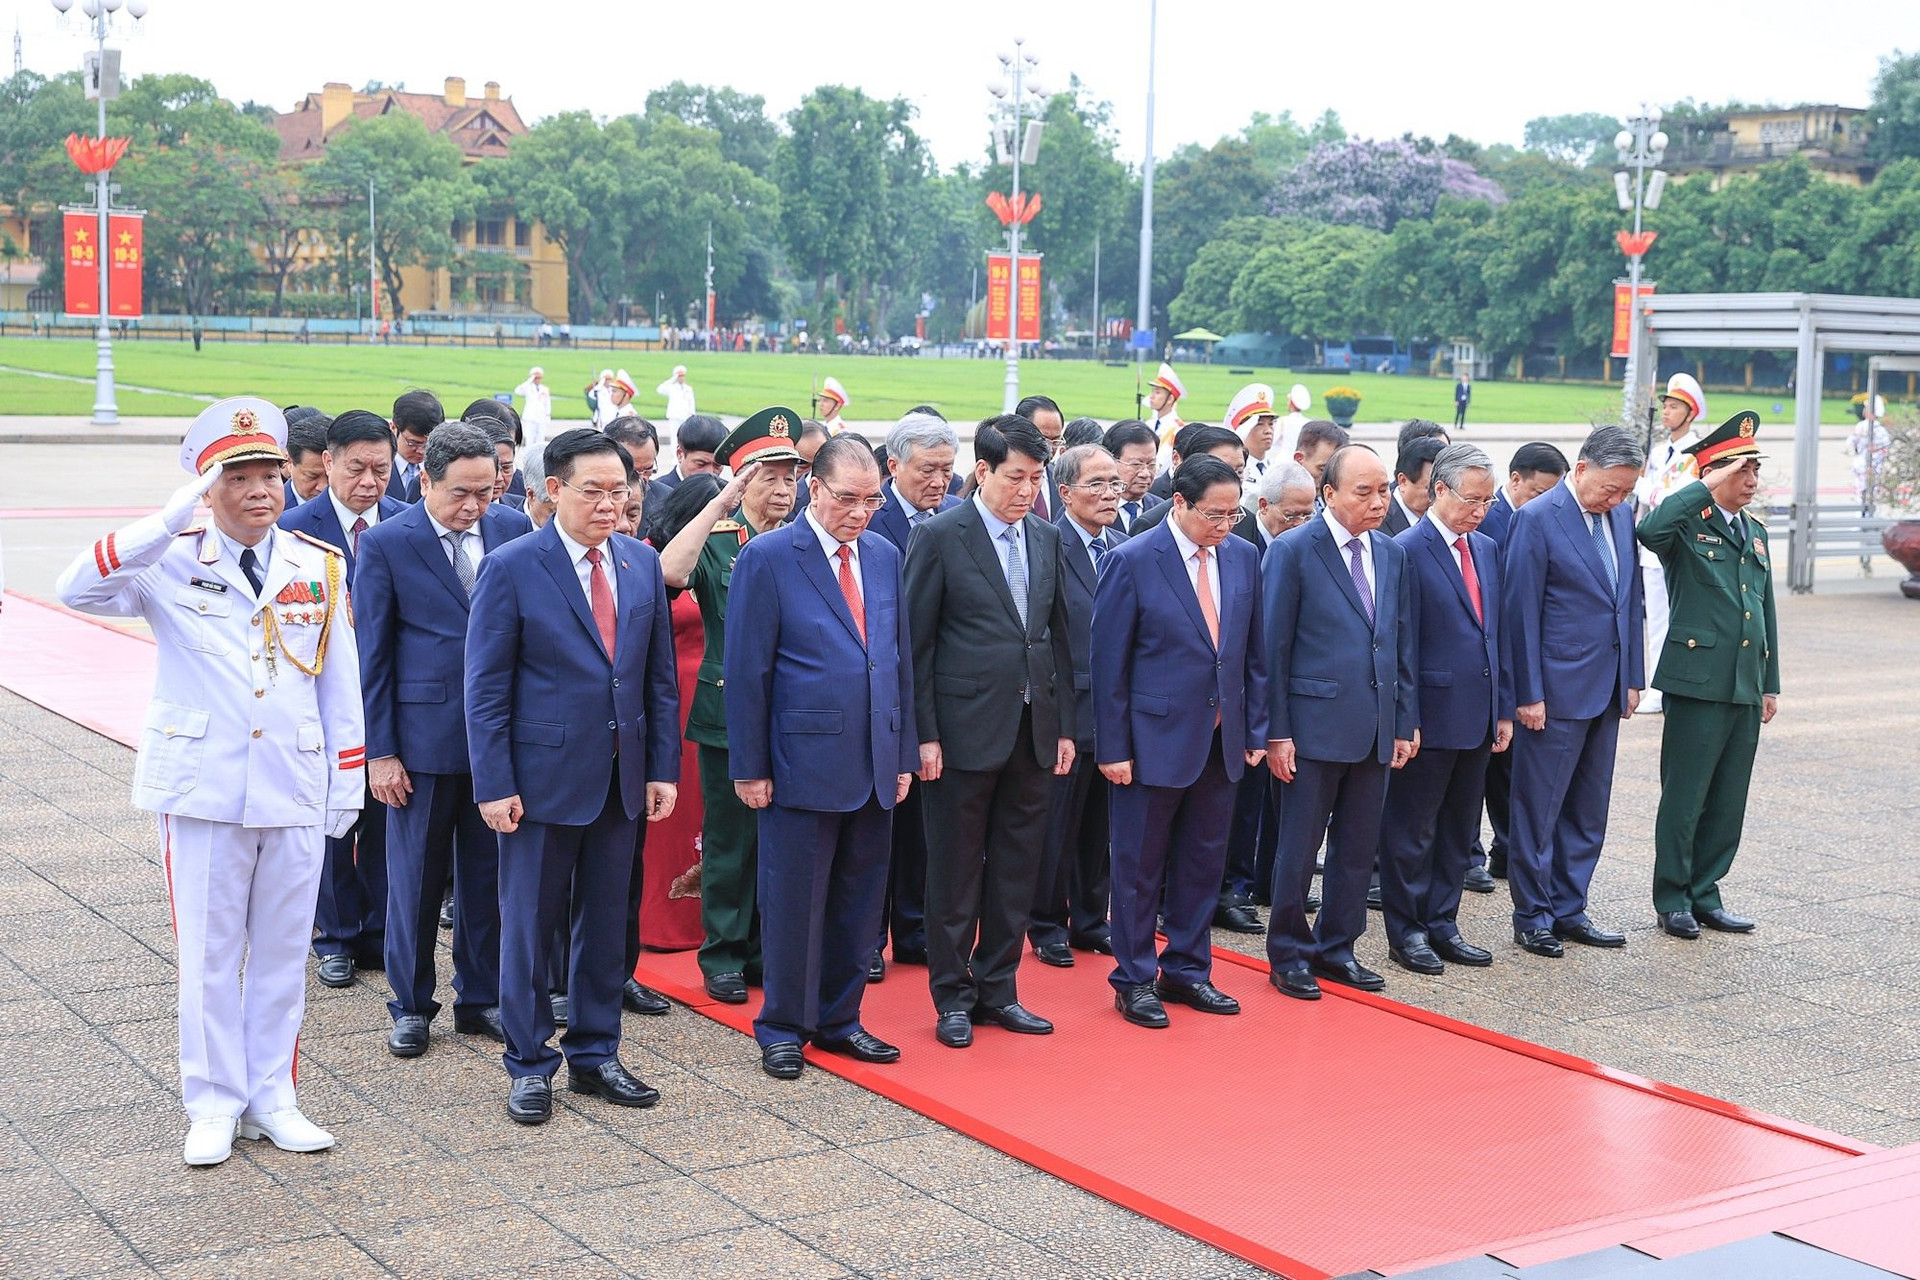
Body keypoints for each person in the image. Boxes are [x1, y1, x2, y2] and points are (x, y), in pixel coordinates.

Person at [56, 397, 363, 1166]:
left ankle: (273, 1098)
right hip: (204, 786)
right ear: (205, 488)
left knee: (284, 950)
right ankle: (213, 1102)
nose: (263, 490)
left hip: (293, 782)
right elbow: (75, 590)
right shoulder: (167, 559)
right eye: (241, 477)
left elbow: (339, 684)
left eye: (272, 474)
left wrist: (345, 781)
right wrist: (162, 524)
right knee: (209, 956)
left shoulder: (316, 566)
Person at [466, 428, 681, 1125]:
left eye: (620, 491)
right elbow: (486, 688)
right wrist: (493, 783)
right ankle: (530, 1063)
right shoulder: (513, 566)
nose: (610, 505)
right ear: (552, 490)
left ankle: (596, 1053)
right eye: (593, 491)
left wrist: (661, 770)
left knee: (604, 926)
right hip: (540, 782)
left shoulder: (640, 563)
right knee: (529, 925)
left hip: (621, 779)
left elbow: (655, 681)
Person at [725, 433, 917, 1078]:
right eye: (846, 499)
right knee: (793, 902)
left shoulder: (887, 555)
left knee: (861, 902)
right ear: (815, 489)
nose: (860, 512)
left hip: (873, 759)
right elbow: (748, 670)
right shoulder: (773, 557)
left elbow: (897, 661)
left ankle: (841, 1018)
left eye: (871, 500)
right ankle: (783, 1024)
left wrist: (903, 750)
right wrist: (749, 766)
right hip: (798, 761)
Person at [356, 422, 533, 1059]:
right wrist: (381, 751)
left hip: (500, 744)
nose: (475, 507)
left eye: (487, 492)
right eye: (461, 493)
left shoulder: (512, 529)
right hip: (421, 744)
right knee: (417, 881)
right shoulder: (386, 544)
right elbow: (372, 658)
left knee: (488, 879)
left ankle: (479, 997)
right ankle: (410, 1003)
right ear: (425, 479)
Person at [905, 416, 1076, 1048]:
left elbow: (1055, 639)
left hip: (1032, 730)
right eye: (1016, 477)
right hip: (960, 731)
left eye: (1037, 479)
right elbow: (916, 645)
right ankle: (952, 995)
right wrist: (924, 734)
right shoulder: (941, 535)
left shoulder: (1046, 537)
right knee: (954, 869)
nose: (1028, 490)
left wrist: (1061, 728)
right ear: (981, 471)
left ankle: (999, 987)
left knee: (1015, 867)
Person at [1095, 455, 1269, 1028]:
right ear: (1179, 503)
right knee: (1139, 866)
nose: (1224, 525)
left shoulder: (1244, 557)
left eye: (1233, 514)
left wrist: (1256, 729)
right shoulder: (1133, 560)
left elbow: (1254, 655)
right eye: (1213, 515)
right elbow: (1109, 664)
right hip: (1151, 740)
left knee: (1202, 861)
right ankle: (1135, 977)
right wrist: (1114, 747)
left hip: (1222, 739)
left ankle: (1189, 968)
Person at [656, 410, 801, 1003]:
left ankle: (769, 949)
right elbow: (668, 572)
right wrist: (719, 506)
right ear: (741, 481)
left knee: (784, 839)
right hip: (727, 713)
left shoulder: (805, 541)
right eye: (769, 477)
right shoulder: (719, 541)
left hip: (796, 715)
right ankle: (724, 953)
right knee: (729, 839)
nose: (784, 489)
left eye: (792, 477)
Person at [1263, 445, 1415, 1000]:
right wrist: (1276, 731)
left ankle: (1337, 946)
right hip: (1310, 727)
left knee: (1356, 846)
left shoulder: (1392, 554)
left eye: (1383, 492)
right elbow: (1272, 650)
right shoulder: (1293, 551)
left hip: (1374, 725)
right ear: (1329, 493)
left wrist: (1404, 720)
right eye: (1364, 492)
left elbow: (1401, 644)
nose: (1379, 503)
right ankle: (1289, 953)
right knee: (1299, 848)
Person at [1503, 426, 1647, 959]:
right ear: (1581, 469)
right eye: (1611, 488)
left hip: (1606, 687)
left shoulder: (1621, 518)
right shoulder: (1536, 519)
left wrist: (1632, 674)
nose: (1617, 499)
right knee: (1539, 810)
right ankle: (1534, 915)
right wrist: (1528, 692)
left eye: (1626, 491)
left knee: (1589, 808)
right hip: (1554, 691)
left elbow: (1628, 601)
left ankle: (1570, 907)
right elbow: (1520, 612)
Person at [1637, 411, 1779, 940]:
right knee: (1686, 795)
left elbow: (1765, 613)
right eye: (1742, 471)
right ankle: (1672, 897)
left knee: (1727, 796)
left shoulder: (1756, 533)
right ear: (1715, 474)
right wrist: (1702, 486)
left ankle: (1706, 892)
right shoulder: (1686, 525)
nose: (1752, 480)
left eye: (1754, 471)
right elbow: (1648, 529)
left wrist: (1770, 682)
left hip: (1743, 682)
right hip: (1696, 682)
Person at [280, 410, 407, 989]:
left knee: (386, 822)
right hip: (320, 700)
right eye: (355, 468)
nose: (369, 482)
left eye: (381, 469)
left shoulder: (407, 525)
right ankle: (334, 935)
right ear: (326, 463)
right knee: (330, 823)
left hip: (390, 701)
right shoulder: (289, 528)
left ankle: (381, 931)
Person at [1378, 444, 1511, 976]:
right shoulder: (1405, 549)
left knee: (1459, 828)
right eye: (1472, 499)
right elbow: (1399, 644)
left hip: (1477, 714)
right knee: (1413, 828)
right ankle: (1405, 930)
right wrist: (1403, 718)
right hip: (1427, 715)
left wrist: (1502, 707)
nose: (1481, 510)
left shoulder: (1486, 547)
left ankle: (1443, 922)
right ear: (1439, 490)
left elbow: (1494, 635)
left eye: (1488, 500)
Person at [865, 412, 961, 971]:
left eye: (947, 470)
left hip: (936, 692)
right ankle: (869, 938)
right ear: (893, 466)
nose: (938, 481)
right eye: (927, 469)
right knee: (884, 823)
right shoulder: (870, 523)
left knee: (927, 826)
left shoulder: (953, 518)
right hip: (882, 691)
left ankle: (914, 927)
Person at [1030, 444, 1126, 968]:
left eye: (1114, 483)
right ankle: (1046, 922)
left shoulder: (1123, 544)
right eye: (1097, 484)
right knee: (1056, 823)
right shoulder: (1047, 543)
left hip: (1115, 709)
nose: (1110, 493)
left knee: (1100, 825)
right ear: (1064, 493)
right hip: (1067, 706)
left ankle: (1091, 918)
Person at [1221, 463, 1316, 924]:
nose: (1301, 523)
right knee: (1242, 799)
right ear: (1263, 506)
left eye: (1308, 514)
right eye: (1292, 515)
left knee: (1279, 795)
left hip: (1287, 688)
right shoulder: (1238, 542)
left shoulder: (1308, 548)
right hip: (1237, 689)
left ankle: (1266, 881)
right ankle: (1233, 888)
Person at [1633, 373, 1706, 716]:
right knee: (1658, 620)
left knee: (1679, 620)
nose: (1666, 412)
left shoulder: (1696, 453)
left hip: (1678, 545)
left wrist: (1647, 489)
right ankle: (1659, 687)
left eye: (1674, 407)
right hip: (1651, 550)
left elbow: (1676, 498)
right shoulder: (1659, 451)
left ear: (1690, 413)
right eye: (1665, 405)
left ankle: (1672, 686)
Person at [1131, 427, 1247, 534]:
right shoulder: (1151, 524)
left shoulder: (1247, 521)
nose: (1224, 526)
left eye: (1239, 471)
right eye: (1220, 469)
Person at [1103, 420, 1163, 534]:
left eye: (1151, 464)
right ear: (1111, 461)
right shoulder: (1095, 509)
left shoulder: (1161, 511)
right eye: (1136, 464)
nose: (1145, 473)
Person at [648, 414, 726, 497]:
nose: (710, 472)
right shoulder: (655, 496)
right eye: (701, 464)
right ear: (680, 454)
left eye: (717, 465)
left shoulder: (729, 496)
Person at [1382, 436, 1446, 536]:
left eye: (1446, 489)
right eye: (1430, 489)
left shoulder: (1453, 520)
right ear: (1403, 481)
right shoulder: (1377, 521)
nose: (1439, 497)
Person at [1015, 394, 1065, 519]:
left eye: (1056, 440)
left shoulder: (1062, 480)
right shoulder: (1003, 477)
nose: (1050, 448)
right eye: (1043, 438)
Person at [387, 391, 442, 503]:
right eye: (413, 443)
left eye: (428, 444)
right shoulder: (378, 466)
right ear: (393, 428)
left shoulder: (443, 470)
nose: (421, 451)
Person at [1224, 383, 1278, 488]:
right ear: (1244, 428)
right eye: (1259, 424)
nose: (1268, 431)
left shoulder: (1275, 467)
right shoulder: (1236, 470)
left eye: (1271, 424)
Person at [283, 415, 332, 508]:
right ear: (289, 462)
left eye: (329, 475)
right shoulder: (270, 512)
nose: (323, 487)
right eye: (312, 476)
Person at [1146, 362, 1185, 456]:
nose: (1151, 396)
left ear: (1170, 399)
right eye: (1152, 392)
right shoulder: (1149, 424)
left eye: (1157, 393)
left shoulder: (1177, 429)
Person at [514, 367, 553, 459]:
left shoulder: (545, 389)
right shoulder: (528, 387)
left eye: (539, 378)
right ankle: (528, 456)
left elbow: (548, 403)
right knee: (530, 438)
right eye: (536, 378)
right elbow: (518, 391)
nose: (538, 380)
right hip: (530, 417)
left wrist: (548, 415)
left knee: (540, 438)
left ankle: (540, 456)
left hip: (541, 416)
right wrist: (529, 381)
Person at [1276, 384, 1312, 464]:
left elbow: (1273, 440)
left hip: (1283, 460)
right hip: (1301, 461)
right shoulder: (1309, 423)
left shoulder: (1283, 421)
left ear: (1291, 402)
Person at [655, 365, 696, 433]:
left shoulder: (688, 388)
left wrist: (692, 415)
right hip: (675, 416)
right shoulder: (671, 388)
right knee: (674, 436)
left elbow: (691, 403)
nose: (681, 378)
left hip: (685, 416)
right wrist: (672, 379)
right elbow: (659, 389)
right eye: (679, 376)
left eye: (683, 376)